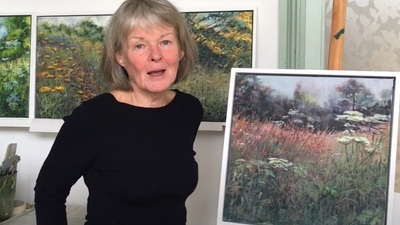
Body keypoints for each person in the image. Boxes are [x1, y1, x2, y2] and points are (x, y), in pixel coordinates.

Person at [34, 0, 203, 224]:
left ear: (181, 50)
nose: (155, 55)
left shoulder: (188, 110)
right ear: (120, 57)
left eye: (165, 41)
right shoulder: (91, 118)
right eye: (140, 45)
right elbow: (48, 193)